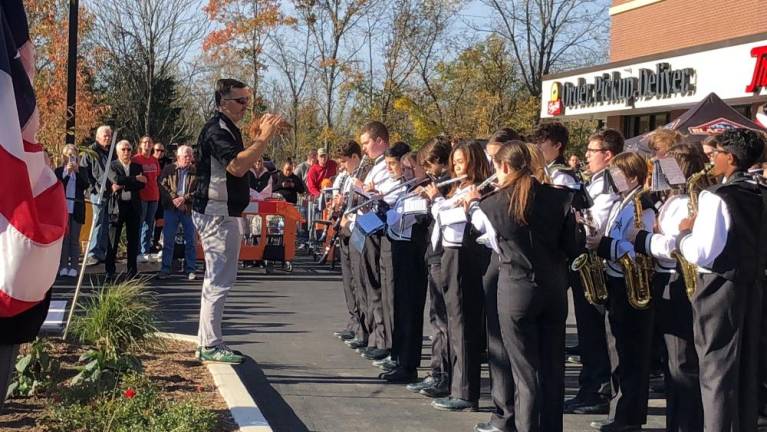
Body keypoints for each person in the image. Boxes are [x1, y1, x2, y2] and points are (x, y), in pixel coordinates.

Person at [468, 141, 579, 432]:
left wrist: (471, 204)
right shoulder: (560, 199)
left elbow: (490, 242)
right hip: (554, 290)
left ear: (505, 167)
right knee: (553, 368)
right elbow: (572, 247)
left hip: (516, 291)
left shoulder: (492, 204)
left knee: (525, 373)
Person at [677, 128, 766, 432]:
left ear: (730, 157)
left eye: (715, 154)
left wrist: (684, 234)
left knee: (716, 369)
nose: (711, 159)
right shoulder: (761, 192)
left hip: (718, 288)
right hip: (753, 286)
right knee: (746, 369)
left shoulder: (716, 196)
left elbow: (702, 252)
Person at [192, 78, 284, 364]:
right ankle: (210, 343)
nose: (246, 106)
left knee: (219, 278)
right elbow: (237, 166)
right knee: (219, 279)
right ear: (222, 102)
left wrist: (259, 135)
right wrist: (263, 138)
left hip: (225, 211)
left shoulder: (227, 128)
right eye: (240, 101)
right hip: (216, 213)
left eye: (247, 100)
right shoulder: (216, 130)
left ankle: (207, 340)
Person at [631, 144, 711, 432]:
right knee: (674, 362)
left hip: (676, 279)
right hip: (667, 279)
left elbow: (676, 246)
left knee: (680, 364)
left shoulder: (684, 201)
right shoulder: (675, 199)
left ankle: (685, 424)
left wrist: (643, 240)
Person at [586, 151, 657, 432]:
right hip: (615, 279)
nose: (612, 180)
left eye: (618, 175)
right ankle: (619, 412)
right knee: (618, 351)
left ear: (633, 177)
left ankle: (628, 417)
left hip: (631, 284)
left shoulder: (643, 206)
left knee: (631, 355)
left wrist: (603, 246)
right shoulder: (623, 202)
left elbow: (639, 248)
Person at [423, 140, 491, 412]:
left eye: (461, 162)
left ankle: (465, 392)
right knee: (452, 321)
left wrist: (439, 201)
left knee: (463, 323)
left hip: (464, 255)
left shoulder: (479, 189)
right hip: (448, 253)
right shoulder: (458, 188)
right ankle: (455, 385)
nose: (456, 167)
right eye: (455, 162)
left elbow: (453, 218)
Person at [566, 129, 623, 416]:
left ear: (608, 155)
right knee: (589, 332)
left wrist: (578, 220)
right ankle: (590, 387)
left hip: (598, 261)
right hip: (591, 260)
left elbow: (598, 223)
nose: (586, 155)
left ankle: (597, 391)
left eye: (592, 150)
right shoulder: (594, 181)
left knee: (595, 332)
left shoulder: (609, 184)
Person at [405, 137, 454, 399]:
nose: (430, 172)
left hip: (443, 255)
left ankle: (442, 374)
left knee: (442, 320)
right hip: (435, 253)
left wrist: (434, 197)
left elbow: (446, 215)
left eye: (430, 165)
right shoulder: (441, 183)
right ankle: (438, 371)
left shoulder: (448, 184)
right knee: (437, 318)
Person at [354, 121, 392, 362]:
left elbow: (386, 198)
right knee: (367, 283)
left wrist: (367, 191)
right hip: (367, 226)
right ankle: (374, 335)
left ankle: (382, 338)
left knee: (377, 286)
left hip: (378, 228)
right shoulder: (373, 166)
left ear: (379, 141)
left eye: (367, 143)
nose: (365, 148)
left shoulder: (387, 166)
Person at [105, 140, 146, 279]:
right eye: (123, 149)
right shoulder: (112, 166)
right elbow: (116, 179)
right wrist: (134, 179)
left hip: (133, 207)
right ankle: (110, 271)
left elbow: (142, 185)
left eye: (129, 149)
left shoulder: (137, 166)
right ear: (117, 152)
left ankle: (132, 272)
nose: (127, 152)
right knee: (113, 240)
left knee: (133, 241)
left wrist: (123, 184)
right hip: (117, 207)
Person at [158, 145, 198, 280]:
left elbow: (199, 190)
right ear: (178, 157)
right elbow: (162, 185)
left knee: (191, 240)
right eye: (185, 156)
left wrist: (184, 199)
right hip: (171, 208)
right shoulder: (169, 169)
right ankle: (165, 268)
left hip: (188, 210)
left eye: (190, 156)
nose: (188, 158)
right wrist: (174, 199)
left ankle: (190, 269)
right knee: (168, 240)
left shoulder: (195, 171)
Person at [81, 125, 115, 266]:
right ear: (98, 137)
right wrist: (92, 189)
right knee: (97, 222)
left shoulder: (111, 152)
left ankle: (101, 251)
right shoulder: (91, 152)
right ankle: (92, 253)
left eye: (109, 135)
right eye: (105, 135)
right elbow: (84, 172)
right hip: (97, 193)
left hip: (110, 192)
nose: (108, 138)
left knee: (105, 222)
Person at [55, 144, 89, 278]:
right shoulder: (59, 171)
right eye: (68, 155)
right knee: (64, 239)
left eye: (73, 155)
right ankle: (63, 266)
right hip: (63, 207)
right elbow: (59, 186)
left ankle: (74, 266)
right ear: (64, 157)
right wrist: (68, 173)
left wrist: (77, 172)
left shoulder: (82, 170)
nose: (71, 158)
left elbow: (85, 185)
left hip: (77, 207)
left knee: (74, 239)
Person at [132, 136, 162, 263]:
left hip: (154, 196)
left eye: (150, 142)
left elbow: (157, 176)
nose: (147, 144)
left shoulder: (154, 160)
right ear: (140, 144)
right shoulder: (136, 159)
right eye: (145, 142)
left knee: (149, 225)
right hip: (141, 196)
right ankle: (137, 251)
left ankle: (145, 251)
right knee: (139, 224)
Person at [534, 121, 579, 189]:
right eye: (537, 142)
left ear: (557, 145)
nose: (537, 146)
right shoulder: (546, 170)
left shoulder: (562, 178)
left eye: (541, 142)